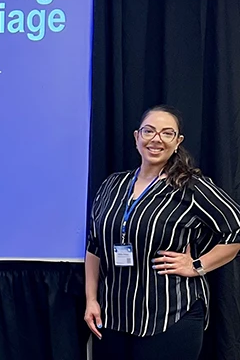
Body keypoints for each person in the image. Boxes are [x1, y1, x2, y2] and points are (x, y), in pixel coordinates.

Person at [84, 105, 240, 359]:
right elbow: (94, 246)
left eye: (167, 133)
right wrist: (91, 299)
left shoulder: (190, 186)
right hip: (113, 317)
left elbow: (236, 230)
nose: (156, 139)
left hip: (170, 316)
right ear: (136, 137)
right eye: (149, 131)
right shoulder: (112, 185)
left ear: (177, 142)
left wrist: (197, 265)